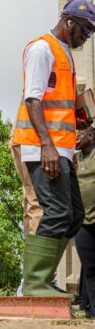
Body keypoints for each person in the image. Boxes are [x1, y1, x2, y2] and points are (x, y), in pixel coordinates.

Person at [11, 0, 94, 297]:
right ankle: (34, 283)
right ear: (69, 21)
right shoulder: (42, 49)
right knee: (57, 211)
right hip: (41, 148)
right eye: (85, 30)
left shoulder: (65, 54)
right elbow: (33, 99)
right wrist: (47, 145)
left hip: (62, 150)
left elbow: (58, 107)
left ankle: (41, 280)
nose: (86, 37)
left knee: (73, 215)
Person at [75, 125, 95, 316]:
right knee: (90, 269)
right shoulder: (74, 159)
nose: (76, 137)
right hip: (83, 222)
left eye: (80, 134)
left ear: (90, 135)